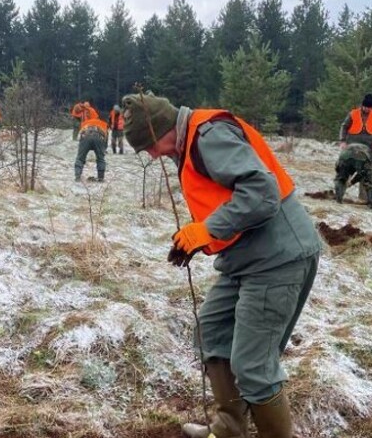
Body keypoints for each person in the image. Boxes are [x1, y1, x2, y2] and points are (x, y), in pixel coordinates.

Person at [121, 93, 320, 438]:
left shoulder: (209, 136)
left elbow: (261, 193)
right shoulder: (188, 142)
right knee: (212, 329)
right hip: (246, 258)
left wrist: (209, 229)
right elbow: (224, 197)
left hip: (278, 258)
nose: (152, 156)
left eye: (150, 146)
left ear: (165, 129)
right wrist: (197, 239)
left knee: (253, 365)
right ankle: (229, 429)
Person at [339, 93, 372, 207]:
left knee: (365, 172)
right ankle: (339, 193)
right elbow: (344, 126)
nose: (367, 109)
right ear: (362, 105)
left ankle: (363, 198)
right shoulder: (353, 114)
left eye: (369, 107)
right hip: (352, 146)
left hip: (368, 149)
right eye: (365, 107)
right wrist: (343, 140)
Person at [334, 142, 372, 207]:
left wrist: (349, 180)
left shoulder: (366, 151)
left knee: (341, 179)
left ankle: (338, 200)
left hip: (345, 155)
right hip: (361, 157)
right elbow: (363, 173)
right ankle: (371, 204)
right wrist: (352, 182)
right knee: (368, 181)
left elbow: (338, 168)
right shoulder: (370, 154)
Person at [75, 113, 108, 182]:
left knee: (80, 158)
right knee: (100, 159)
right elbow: (106, 139)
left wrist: (81, 149)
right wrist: (104, 149)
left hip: (86, 136)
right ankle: (101, 178)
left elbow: (80, 137)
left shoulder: (85, 123)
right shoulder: (103, 124)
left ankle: (77, 177)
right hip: (99, 137)